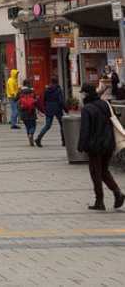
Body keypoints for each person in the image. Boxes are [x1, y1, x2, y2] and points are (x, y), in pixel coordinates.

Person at [77, 83, 125, 211]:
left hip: (95, 145)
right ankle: (117, 191)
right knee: (104, 170)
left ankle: (100, 200)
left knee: (95, 172)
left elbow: (84, 130)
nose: (82, 95)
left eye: (83, 93)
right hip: (109, 143)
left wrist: (80, 147)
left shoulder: (87, 109)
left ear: (86, 93)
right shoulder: (105, 104)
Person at [36, 77, 66, 148]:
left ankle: (39, 137)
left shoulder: (46, 89)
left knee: (48, 125)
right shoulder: (59, 90)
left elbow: (45, 99)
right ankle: (64, 141)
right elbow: (61, 101)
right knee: (62, 124)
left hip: (49, 108)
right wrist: (66, 110)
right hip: (57, 109)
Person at [14, 79, 38, 146]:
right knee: (33, 125)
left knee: (27, 126)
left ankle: (29, 137)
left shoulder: (20, 91)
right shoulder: (32, 90)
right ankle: (31, 134)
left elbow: (15, 99)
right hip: (32, 110)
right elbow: (35, 99)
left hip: (23, 111)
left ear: (23, 84)